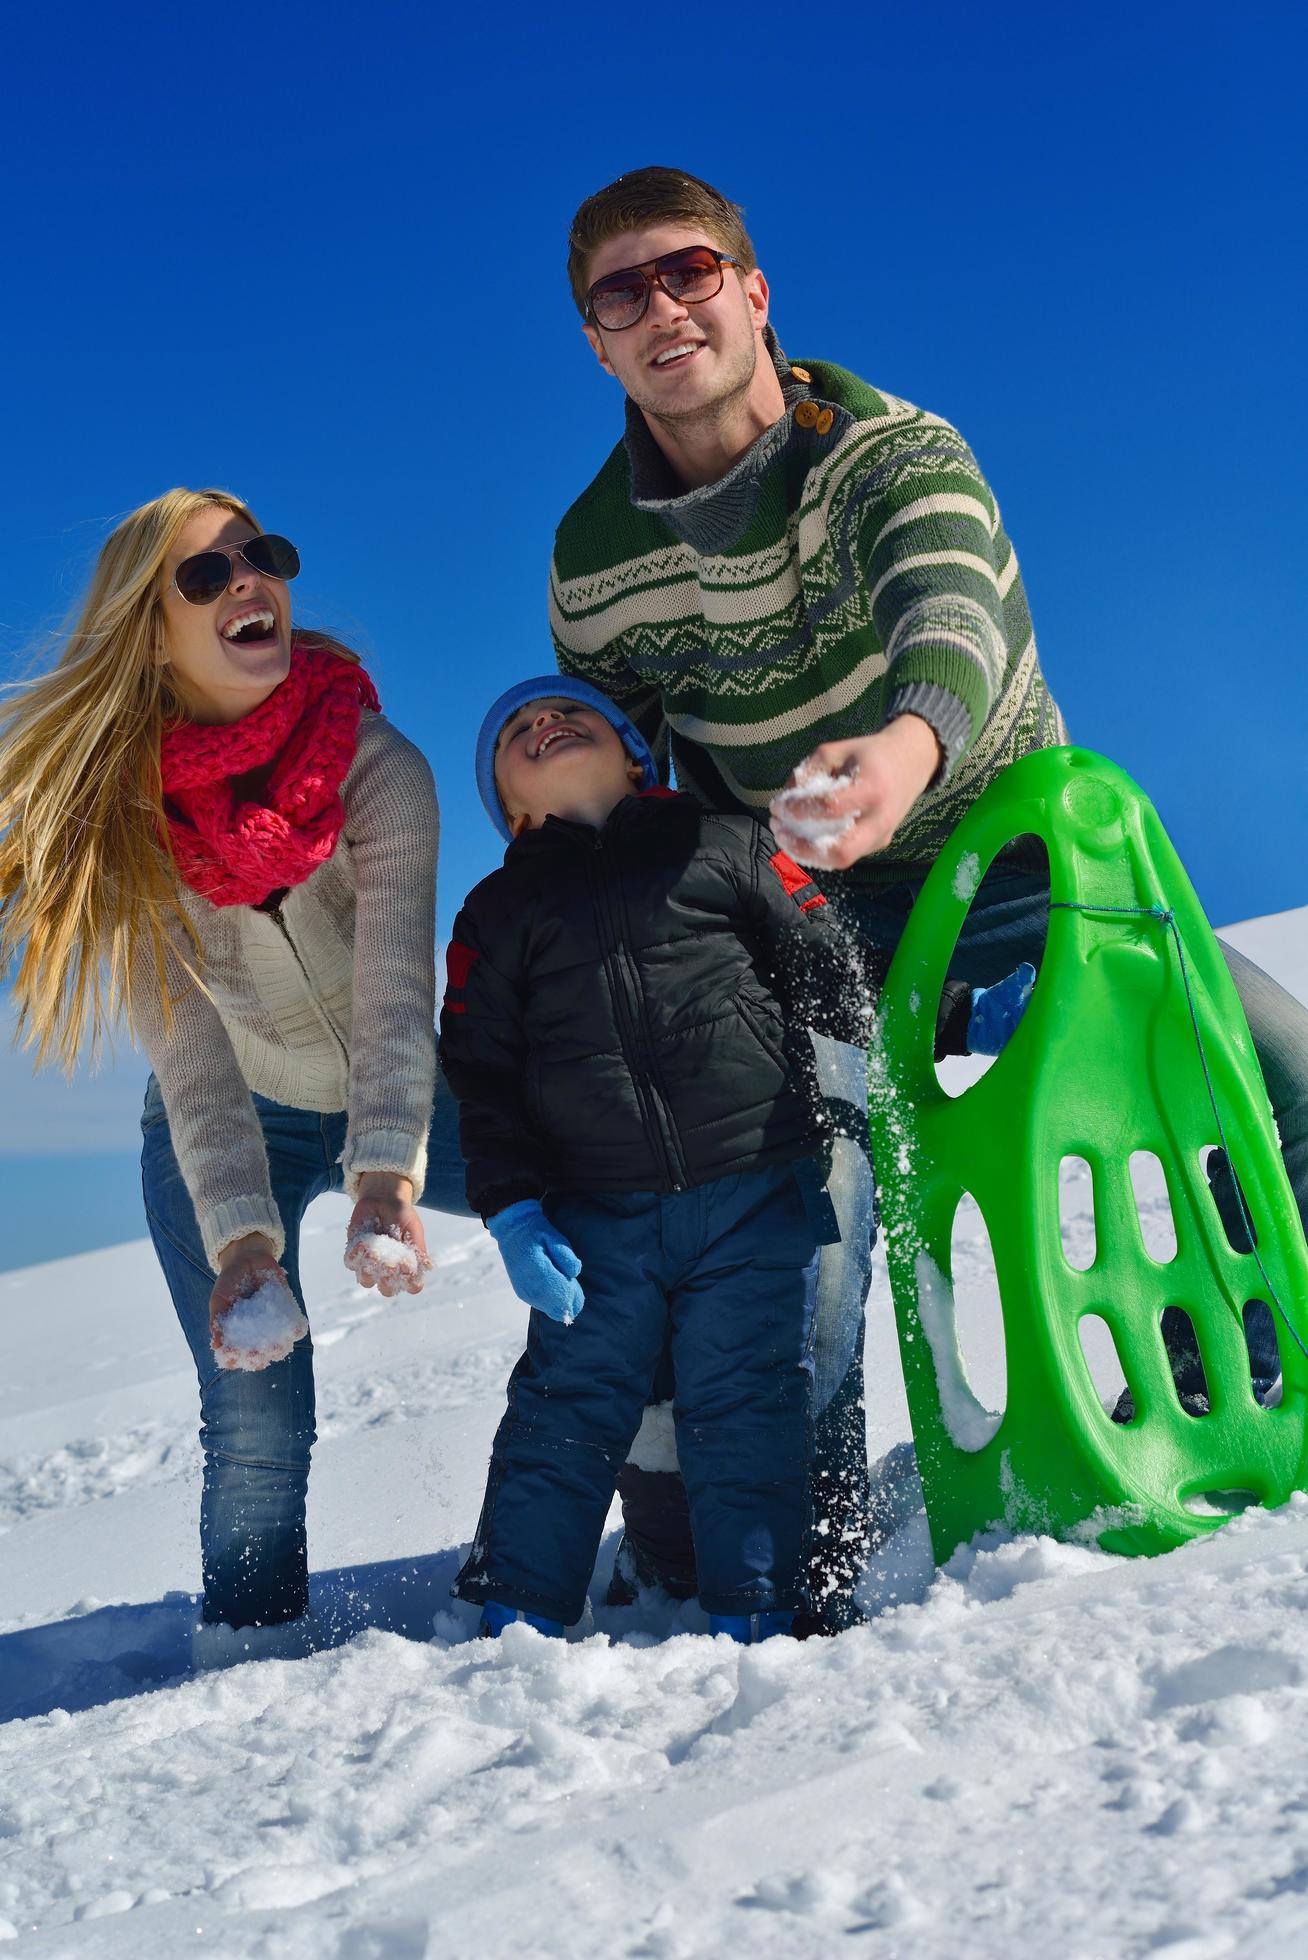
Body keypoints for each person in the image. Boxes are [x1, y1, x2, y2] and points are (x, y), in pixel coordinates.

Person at [549, 165, 1308, 1623]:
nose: (664, 308)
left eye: (690, 271)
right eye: (620, 293)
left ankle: (1247, 1370)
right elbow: (635, 765)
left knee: (1268, 1064)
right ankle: (793, 1553)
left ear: (755, 293)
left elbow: (950, 613)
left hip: (1003, 853)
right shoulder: (594, 563)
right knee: (802, 1195)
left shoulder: (892, 454)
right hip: (807, 912)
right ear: (595, 340)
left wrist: (904, 753)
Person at [438, 677, 1020, 1641]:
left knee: (749, 1403)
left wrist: (957, 1013)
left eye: (570, 713)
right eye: (516, 732)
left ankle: (757, 1616)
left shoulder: (725, 843)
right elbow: (480, 1074)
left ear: (635, 753)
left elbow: (834, 972)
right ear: (509, 808)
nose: (544, 721)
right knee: (564, 1407)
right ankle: (514, 1618)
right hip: (595, 1217)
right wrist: (512, 1210)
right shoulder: (497, 911)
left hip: (755, 1187)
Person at [0, 489, 470, 1665]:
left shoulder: (378, 767)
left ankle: (652, 1526)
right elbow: (192, 1055)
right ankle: (250, 1662)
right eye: (201, 578)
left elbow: (397, 991)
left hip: (396, 1087)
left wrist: (384, 1173)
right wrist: (244, 1247)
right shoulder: (126, 827)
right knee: (259, 1407)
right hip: (229, 1117)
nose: (245, 582)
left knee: (595, 1219)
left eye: (256, 557)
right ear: (150, 630)